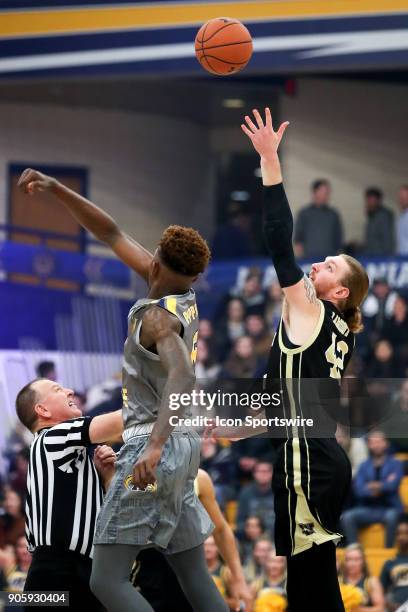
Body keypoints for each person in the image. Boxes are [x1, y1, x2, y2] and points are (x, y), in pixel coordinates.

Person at [18, 168, 228, 612]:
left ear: (154, 263)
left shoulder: (154, 316)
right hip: (183, 446)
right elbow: (110, 231)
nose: (67, 390)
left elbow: (182, 378)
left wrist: (152, 445)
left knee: (108, 582)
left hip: (153, 448)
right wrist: (59, 191)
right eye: (56, 389)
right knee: (193, 572)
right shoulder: (182, 296)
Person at [240, 107, 369, 611]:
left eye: (329, 265)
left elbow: (278, 243)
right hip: (315, 456)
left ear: (339, 291)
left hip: (309, 463)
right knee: (311, 585)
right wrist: (235, 427)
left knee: (310, 588)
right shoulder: (329, 327)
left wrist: (270, 162)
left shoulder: (312, 308)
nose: (317, 263)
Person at [14, 378, 123, 611]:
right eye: (57, 389)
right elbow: (124, 422)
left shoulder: (72, 458)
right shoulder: (51, 437)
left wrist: (106, 479)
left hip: (78, 571)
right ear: (42, 410)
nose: (70, 390)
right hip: (56, 573)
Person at [131, 469, 252, 612]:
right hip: (147, 574)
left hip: (190, 574)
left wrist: (239, 580)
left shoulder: (198, 477)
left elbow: (220, 530)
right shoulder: (130, 472)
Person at [341, 430, 403, 548]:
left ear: (386, 443)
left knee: (392, 516)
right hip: (368, 509)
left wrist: (372, 486)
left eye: (379, 441)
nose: (377, 445)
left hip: (389, 508)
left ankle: (388, 551)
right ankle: (355, 551)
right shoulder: (364, 466)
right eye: (373, 442)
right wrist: (384, 485)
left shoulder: (396, 463)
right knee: (347, 516)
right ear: (369, 445)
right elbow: (359, 490)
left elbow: (393, 485)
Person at [294, 178, 343, 259]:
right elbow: (298, 239)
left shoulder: (334, 215)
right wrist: (301, 259)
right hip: (309, 259)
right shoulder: (304, 213)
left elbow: (339, 241)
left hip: (329, 260)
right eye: (323, 191)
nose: (326, 195)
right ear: (315, 192)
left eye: (328, 192)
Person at [339, 543, 385, 611]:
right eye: (348, 559)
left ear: (363, 561)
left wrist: (357, 609)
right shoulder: (338, 580)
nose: (352, 563)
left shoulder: (371, 582)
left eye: (356, 559)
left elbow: (380, 609)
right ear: (344, 562)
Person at [236, 462, 275, 537]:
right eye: (259, 471)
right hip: (251, 538)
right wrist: (249, 530)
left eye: (265, 471)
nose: (262, 474)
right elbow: (240, 521)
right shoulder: (245, 493)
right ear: (254, 474)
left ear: (272, 473)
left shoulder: (281, 492)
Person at [380, 516, 408, 611]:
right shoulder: (389, 563)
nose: (402, 537)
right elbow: (381, 591)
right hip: (397, 608)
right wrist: (389, 604)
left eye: (406, 533)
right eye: (398, 534)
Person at [364, 187, 395, 256]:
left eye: (371, 200)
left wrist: (387, 256)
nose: (369, 203)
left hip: (380, 257)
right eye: (368, 200)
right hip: (372, 255)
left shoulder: (383, 216)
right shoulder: (372, 215)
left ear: (378, 200)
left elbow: (387, 238)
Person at [396, 185, 408, 256]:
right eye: (400, 197)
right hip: (401, 259)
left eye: (404, 197)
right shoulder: (401, 217)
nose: (401, 200)